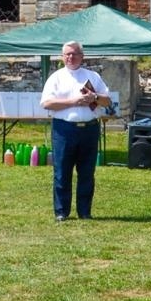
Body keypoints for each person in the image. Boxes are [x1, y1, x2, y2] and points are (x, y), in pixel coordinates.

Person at [40, 41, 112, 222]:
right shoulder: (56, 77)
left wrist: (94, 97)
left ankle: (85, 211)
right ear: (62, 57)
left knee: (87, 172)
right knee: (62, 171)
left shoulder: (92, 76)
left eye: (74, 54)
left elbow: (107, 101)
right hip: (64, 129)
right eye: (67, 54)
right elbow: (47, 103)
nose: (71, 57)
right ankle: (61, 211)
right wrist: (74, 101)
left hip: (89, 129)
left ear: (82, 56)